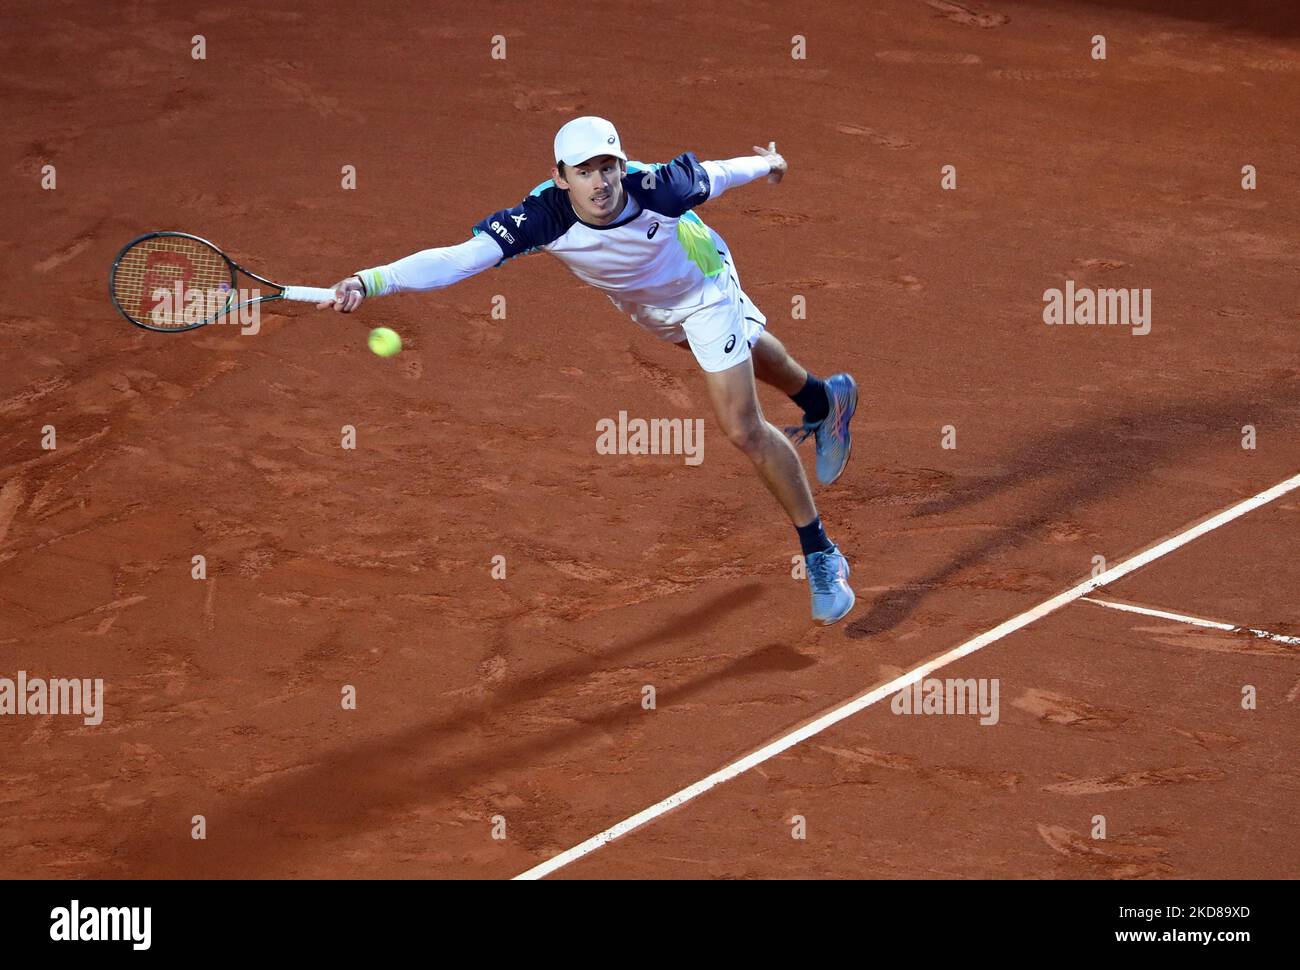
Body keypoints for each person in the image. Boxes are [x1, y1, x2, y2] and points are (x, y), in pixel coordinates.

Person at [322, 117, 858, 625]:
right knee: (740, 353)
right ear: (560, 178)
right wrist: (370, 281)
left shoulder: (661, 188)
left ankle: (822, 554)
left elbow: (722, 171)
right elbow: (458, 259)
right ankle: (822, 400)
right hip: (648, 304)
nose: (599, 182)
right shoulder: (542, 217)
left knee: (741, 425)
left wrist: (770, 164)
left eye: (608, 167)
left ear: (621, 165)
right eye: (583, 172)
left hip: (704, 284)